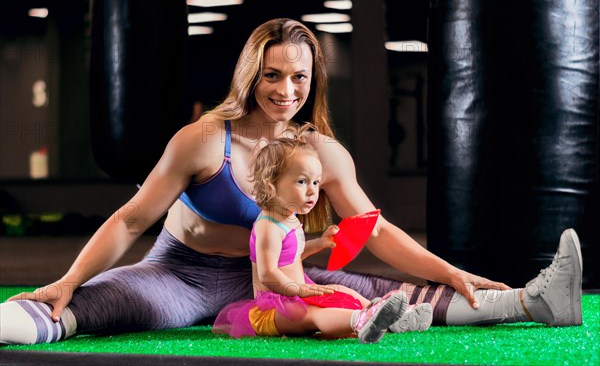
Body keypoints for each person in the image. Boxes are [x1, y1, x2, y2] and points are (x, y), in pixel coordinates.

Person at [0, 18, 582, 345]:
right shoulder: (203, 139)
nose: (285, 90)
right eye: (272, 75)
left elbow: (372, 230)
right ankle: (21, 322)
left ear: (313, 81)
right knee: (107, 303)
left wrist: (447, 268)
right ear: (251, 75)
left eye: (298, 77)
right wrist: (69, 278)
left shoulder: (322, 152)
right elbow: (132, 219)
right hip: (185, 275)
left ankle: (535, 301)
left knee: (371, 294)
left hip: (281, 276)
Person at [212, 127, 432, 342]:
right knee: (311, 314)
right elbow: (268, 274)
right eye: (302, 181)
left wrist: (319, 243)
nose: (312, 191)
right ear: (271, 185)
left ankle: (386, 314)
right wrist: (301, 290)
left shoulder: (288, 218)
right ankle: (360, 320)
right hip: (270, 310)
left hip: (295, 295)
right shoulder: (268, 227)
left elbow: (290, 257)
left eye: (316, 182)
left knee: (340, 290)